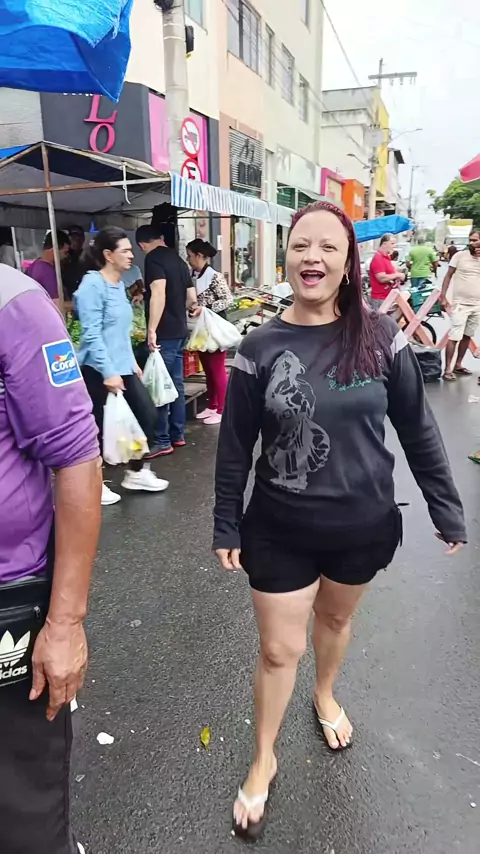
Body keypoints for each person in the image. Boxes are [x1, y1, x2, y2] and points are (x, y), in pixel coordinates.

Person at [213, 200, 466, 840]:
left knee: (334, 621)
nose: (313, 258)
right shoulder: (259, 347)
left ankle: (325, 692)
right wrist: (226, 520)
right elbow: (235, 444)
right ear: (286, 256)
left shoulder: (380, 337)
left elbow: (417, 427)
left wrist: (445, 506)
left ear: (349, 261)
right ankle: (264, 756)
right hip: (279, 527)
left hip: (363, 524)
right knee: (279, 649)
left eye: (329, 247)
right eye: (302, 245)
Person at [0, 262, 102, 854]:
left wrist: (64, 624)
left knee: (21, 815)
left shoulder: (14, 304)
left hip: (8, 607)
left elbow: (77, 461)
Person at [75, 226, 169, 505]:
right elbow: (92, 335)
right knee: (98, 429)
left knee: (147, 415)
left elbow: (120, 331)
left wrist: (130, 363)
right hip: (98, 370)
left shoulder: (118, 285)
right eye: (125, 251)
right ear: (108, 254)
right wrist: (109, 372)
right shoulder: (92, 285)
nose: (131, 255)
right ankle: (94, 484)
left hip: (123, 368)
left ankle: (136, 472)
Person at [136, 224, 198, 456]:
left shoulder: (153, 259)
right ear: (161, 238)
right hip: (180, 330)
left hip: (165, 333)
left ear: (142, 245)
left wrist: (152, 329)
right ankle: (177, 434)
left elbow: (158, 293)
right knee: (176, 384)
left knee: (159, 385)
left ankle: (162, 440)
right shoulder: (179, 260)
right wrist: (187, 309)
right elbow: (191, 297)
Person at [186, 238, 234, 425]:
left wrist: (205, 308)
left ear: (199, 256)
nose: (188, 260)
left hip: (214, 329)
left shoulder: (214, 276)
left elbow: (227, 299)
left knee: (217, 369)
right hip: (201, 329)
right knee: (208, 369)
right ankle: (212, 405)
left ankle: (222, 408)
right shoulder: (194, 275)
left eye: (190, 256)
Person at [441, 230, 480, 382]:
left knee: (467, 336)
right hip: (460, 304)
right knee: (454, 336)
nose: (471, 243)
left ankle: (458, 365)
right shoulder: (459, 256)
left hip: (476, 305)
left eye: (475, 240)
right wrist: (443, 296)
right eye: (470, 240)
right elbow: (448, 276)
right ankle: (447, 369)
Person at [27, 230, 71, 305]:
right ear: (55, 249)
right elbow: (57, 305)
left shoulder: (34, 266)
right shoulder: (47, 272)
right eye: (65, 252)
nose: (66, 256)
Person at [368, 232, 405, 309]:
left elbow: (390, 273)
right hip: (381, 299)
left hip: (388, 297)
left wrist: (398, 275)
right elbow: (382, 278)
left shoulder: (386, 258)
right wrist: (398, 275)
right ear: (384, 244)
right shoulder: (378, 258)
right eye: (392, 244)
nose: (394, 246)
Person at [63, 225, 86, 298]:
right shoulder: (63, 255)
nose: (76, 240)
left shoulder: (87, 256)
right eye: (73, 238)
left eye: (79, 238)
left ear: (83, 239)